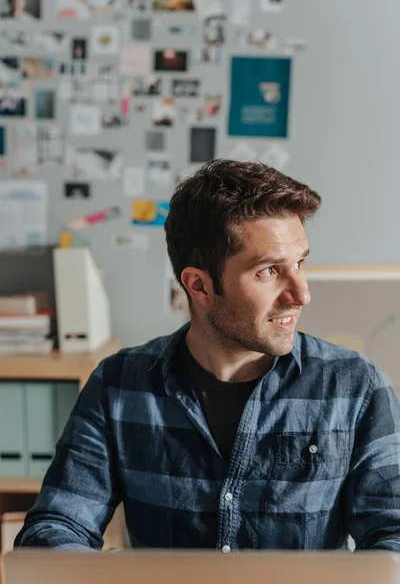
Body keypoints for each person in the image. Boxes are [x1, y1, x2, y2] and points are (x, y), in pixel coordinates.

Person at [15, 159, 400, 552]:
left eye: (300, 263)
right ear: (198, 284)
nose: (301, 294)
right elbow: (56, 527)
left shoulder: (357, 387)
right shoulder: (118, 384)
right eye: (269, 271)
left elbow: (394, 533)